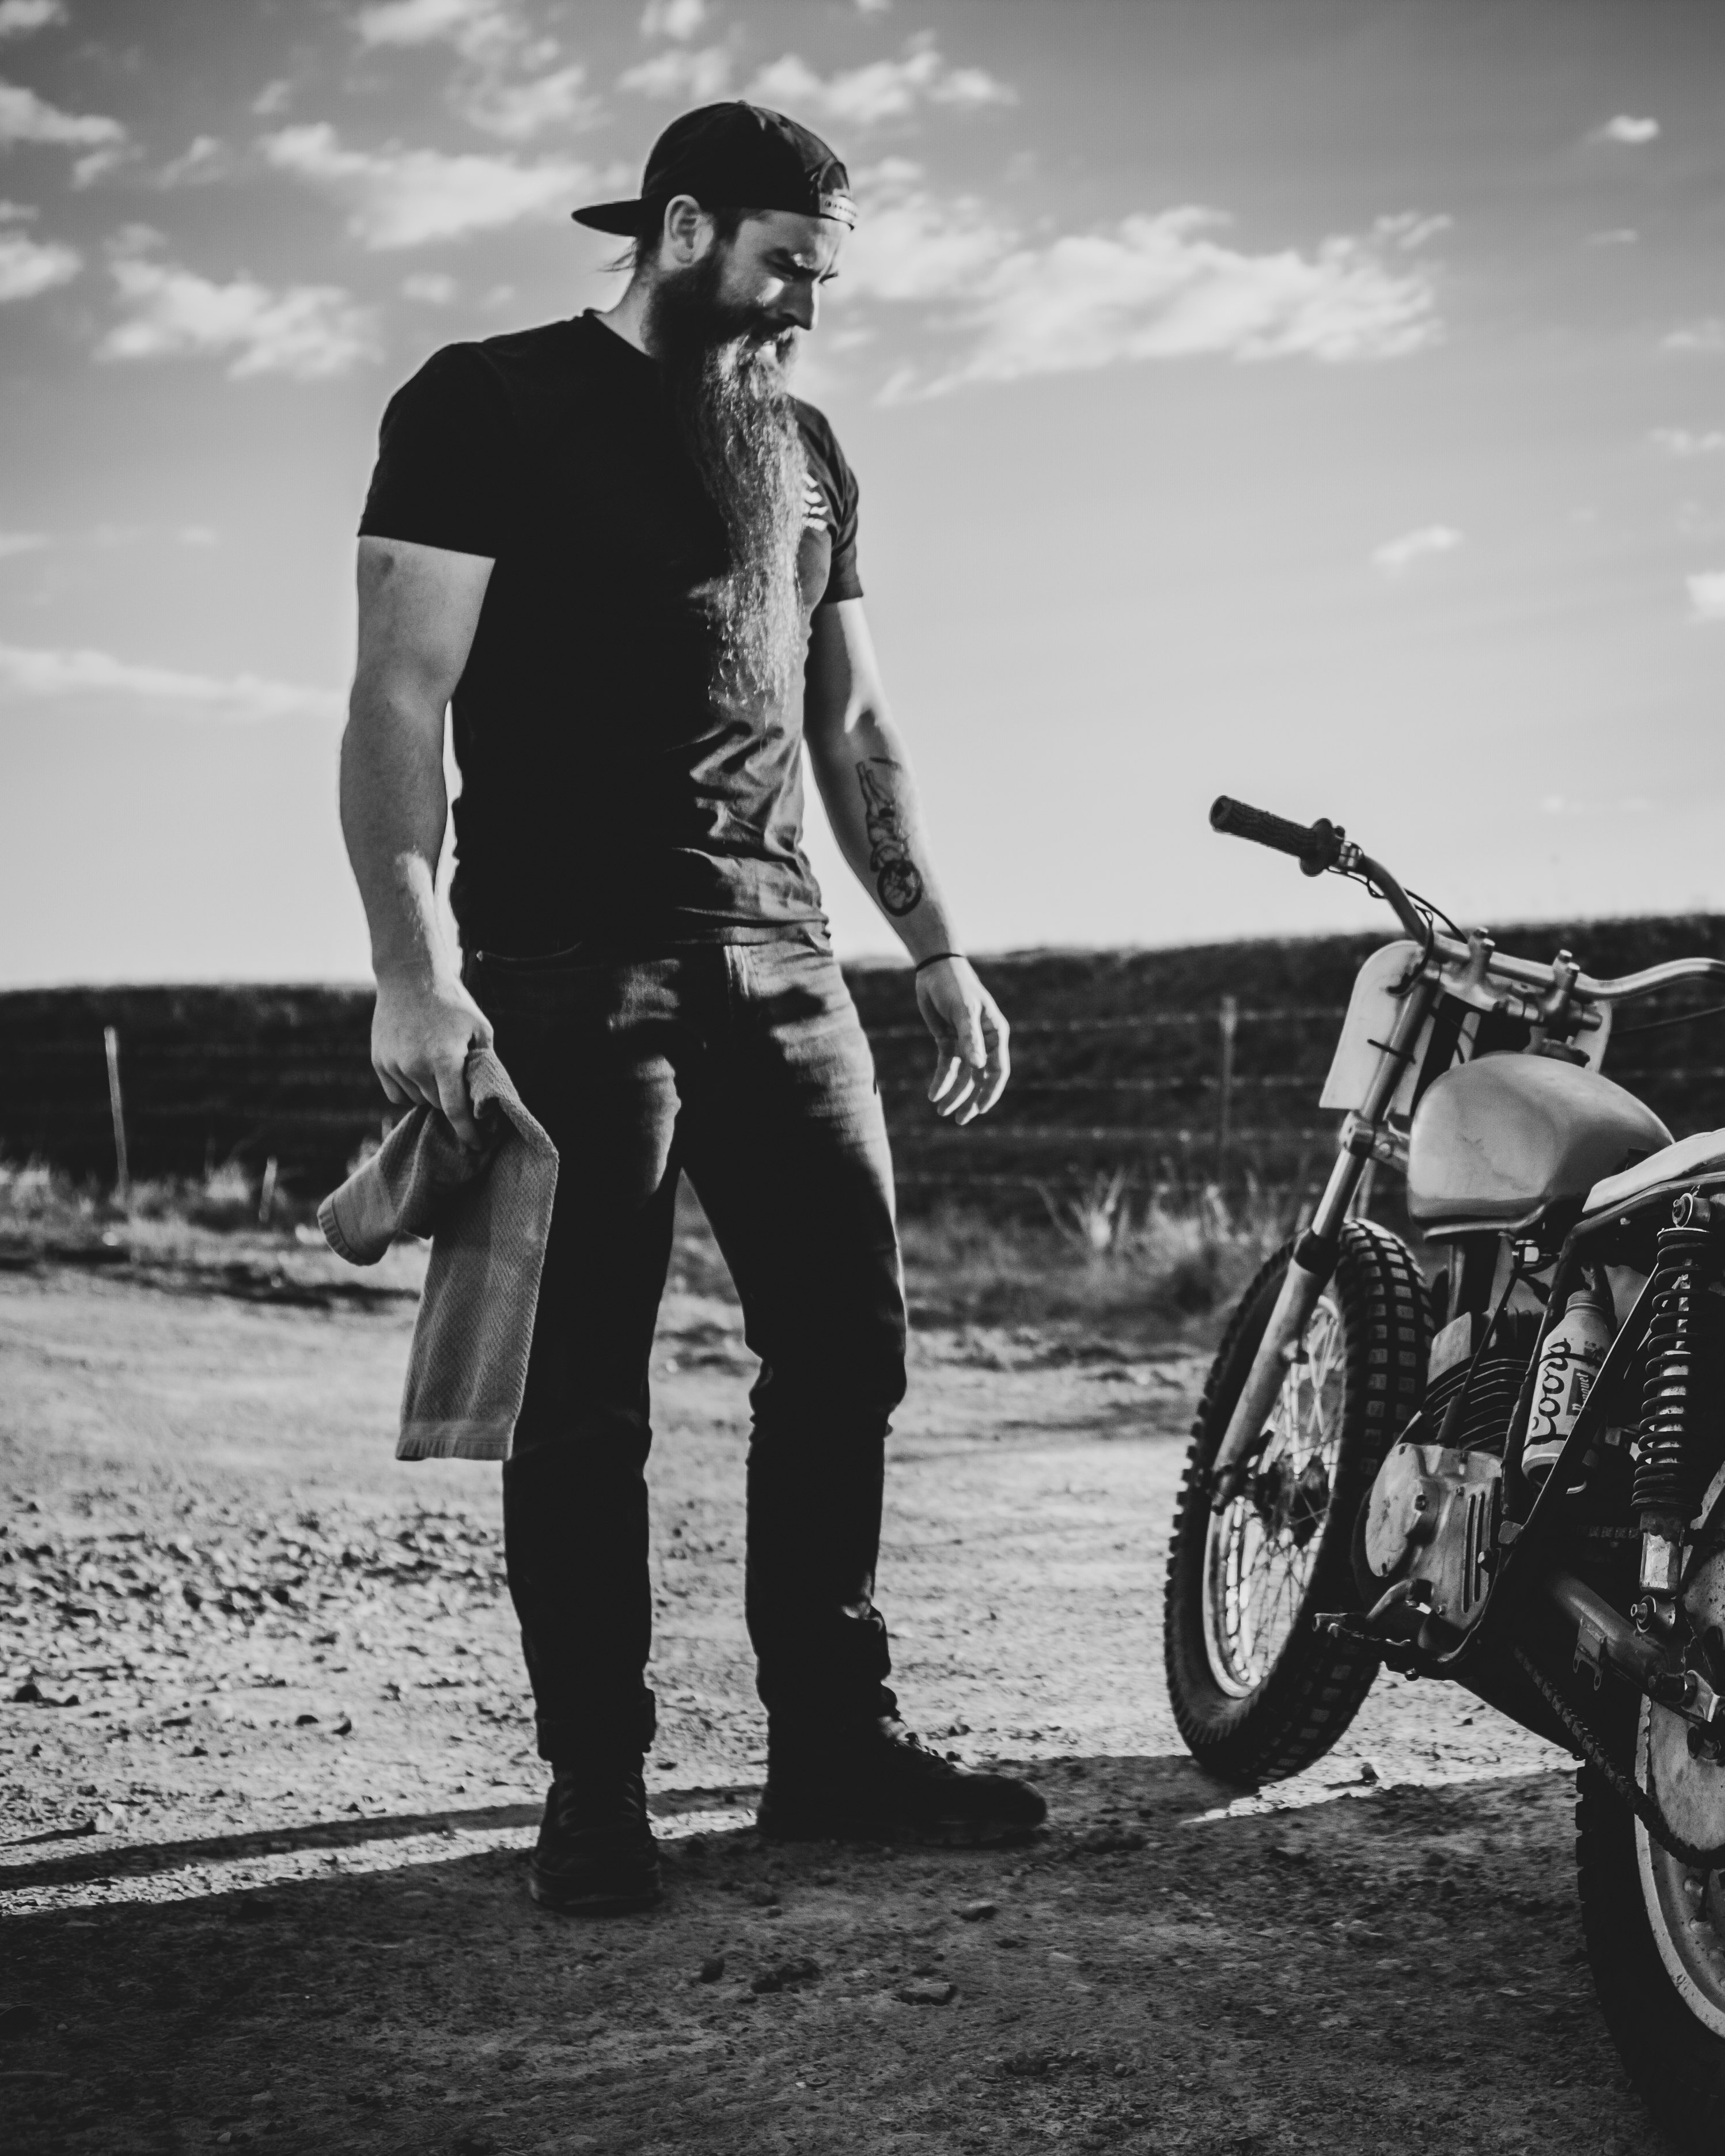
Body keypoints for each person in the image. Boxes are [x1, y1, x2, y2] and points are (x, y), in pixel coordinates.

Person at [339, 100, 1045, 1916]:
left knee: (847, 1354)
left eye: (826, 261)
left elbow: (853, 723)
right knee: (583, 1398)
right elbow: (401, 699)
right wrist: (414, 971)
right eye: (787, 257)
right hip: (573, 976)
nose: (811, 291)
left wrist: (936, 944)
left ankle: (827, 1747)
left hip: (786, 963)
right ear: (676, 229)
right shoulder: (482, 404)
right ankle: (596, 1787)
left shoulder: (804, 448)